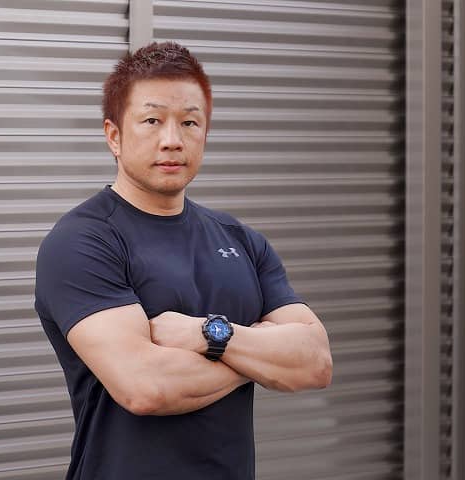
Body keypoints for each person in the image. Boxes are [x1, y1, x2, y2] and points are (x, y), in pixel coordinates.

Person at [34, 41, 332, 480]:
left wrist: (208, 335)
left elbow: (315, 362)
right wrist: (259, 356)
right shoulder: (82, 242)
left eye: (189, 122)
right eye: (152, 120)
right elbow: (146, 387)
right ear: (114, 135)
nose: (172, 140)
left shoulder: (240, 240)